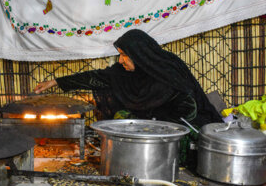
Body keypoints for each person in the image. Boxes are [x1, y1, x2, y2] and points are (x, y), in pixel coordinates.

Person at [34, 29, 222, 127]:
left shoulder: (167, 69)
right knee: (121, 118)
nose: (121, 60)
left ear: (139, 54)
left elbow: (188, 109)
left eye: (125, 55)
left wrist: (154, 125)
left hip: (181, 126)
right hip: (149, 123)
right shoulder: (123, 73)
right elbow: (95, 78)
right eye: (120, 54)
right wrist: (55, 82)